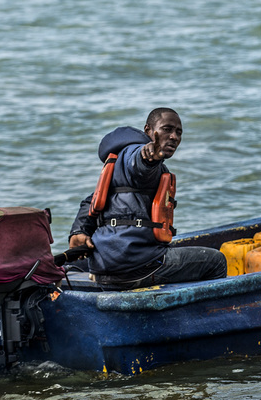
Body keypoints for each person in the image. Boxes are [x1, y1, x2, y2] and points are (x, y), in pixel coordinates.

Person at [68, 108, 226, 289]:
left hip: (105, 265)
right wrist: (149, 158)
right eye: (167, 129)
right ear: (148, 130)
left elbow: (91, 200)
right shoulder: (135, 154)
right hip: (136, 264)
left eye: (178, 132)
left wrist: (79, 231)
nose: (174, 137)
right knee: (216, 261)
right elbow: (139, 164)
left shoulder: (116, 160)